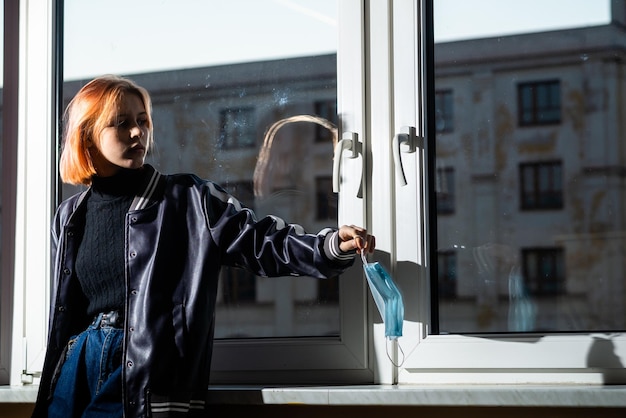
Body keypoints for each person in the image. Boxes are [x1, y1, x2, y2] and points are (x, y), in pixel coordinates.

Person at [32, 75, 375, 418]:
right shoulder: (70, 216)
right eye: (121, 124)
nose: (137, 132)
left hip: (142, 367)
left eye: (141, 121)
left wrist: (329, 246)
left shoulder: (188, 199)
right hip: (77, 365)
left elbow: (262, 241)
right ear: (88, 136)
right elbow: (67, 311)